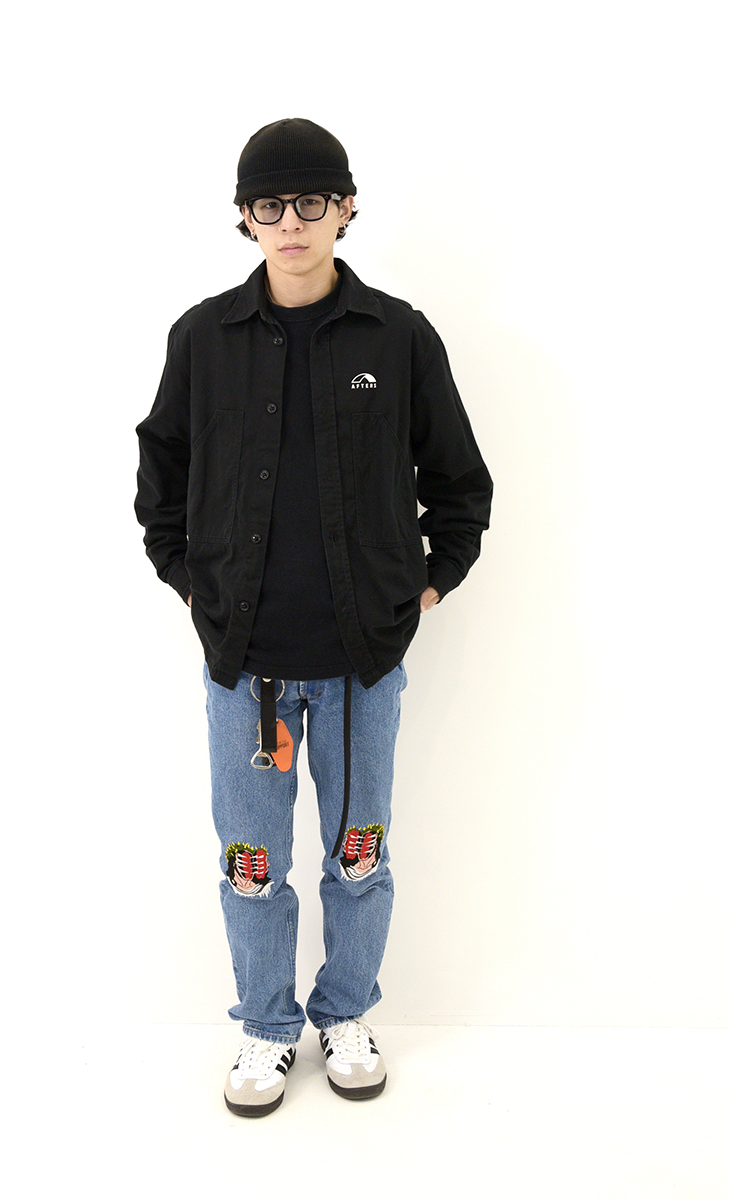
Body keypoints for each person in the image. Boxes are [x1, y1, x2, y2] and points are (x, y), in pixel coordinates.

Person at [135, 118, 492, 1116]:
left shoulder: (398, 336)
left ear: (345, 208)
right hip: (244, 669)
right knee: (251, 868)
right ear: (245, 218)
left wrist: (425, 586)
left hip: (359, 668)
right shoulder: (203, 339)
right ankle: (265, 1025)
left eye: (310, 202)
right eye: (270, 205)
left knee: (358, 857)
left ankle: (345, 1012)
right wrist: (191, 583)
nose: (290, 222)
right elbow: (160, 476)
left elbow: (458, 483)